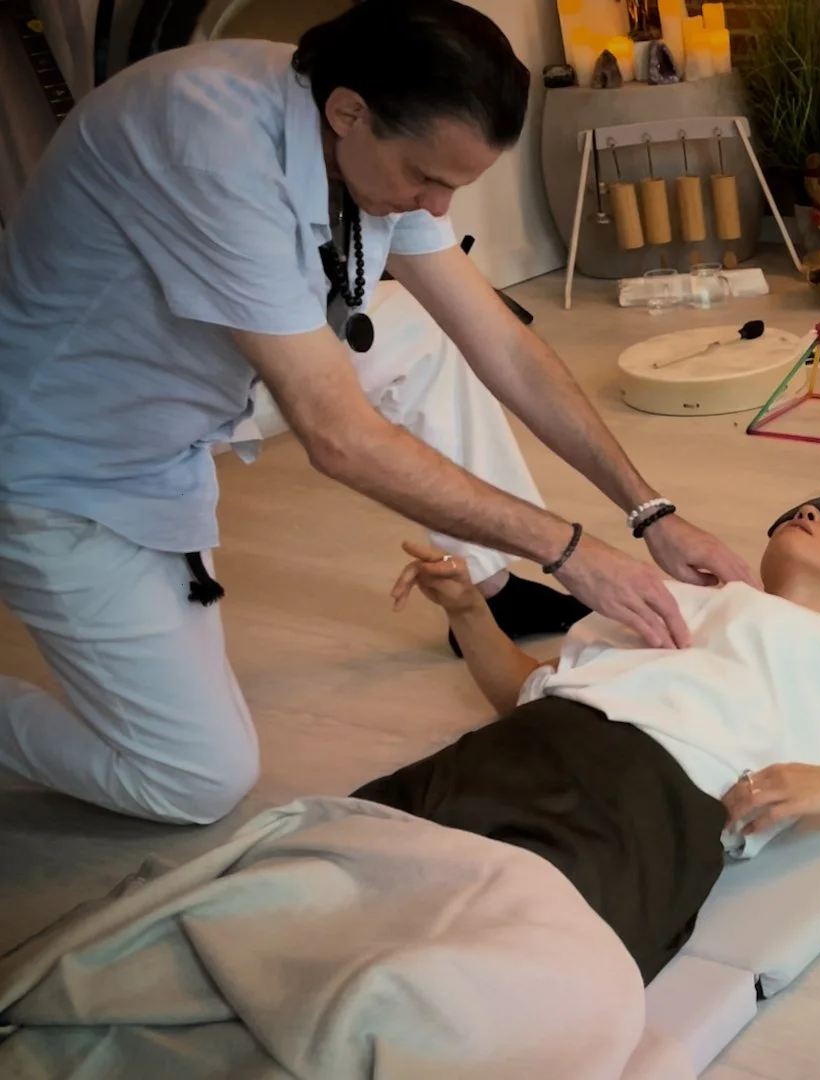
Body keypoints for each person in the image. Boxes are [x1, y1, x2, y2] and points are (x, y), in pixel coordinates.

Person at [0, 0, 757, 827]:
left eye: (454, 186)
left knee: (424, 336)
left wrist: (649, 513)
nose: (436, 208)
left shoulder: (369, 129)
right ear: (348, 113)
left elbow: (499, 343)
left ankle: (488, 590)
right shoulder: (210, 142)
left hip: (209, 376)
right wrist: (570, 550)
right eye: (427, 179)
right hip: (68, 460)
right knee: (195, 780)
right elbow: (339, 437)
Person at [353, 495, 820, 982]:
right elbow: (527, 689)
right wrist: (470, 610)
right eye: (800, 507)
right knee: (335, 863)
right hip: (516, 748)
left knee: (483, 971)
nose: (810, 512)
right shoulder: (662, 593)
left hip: (644, 810)